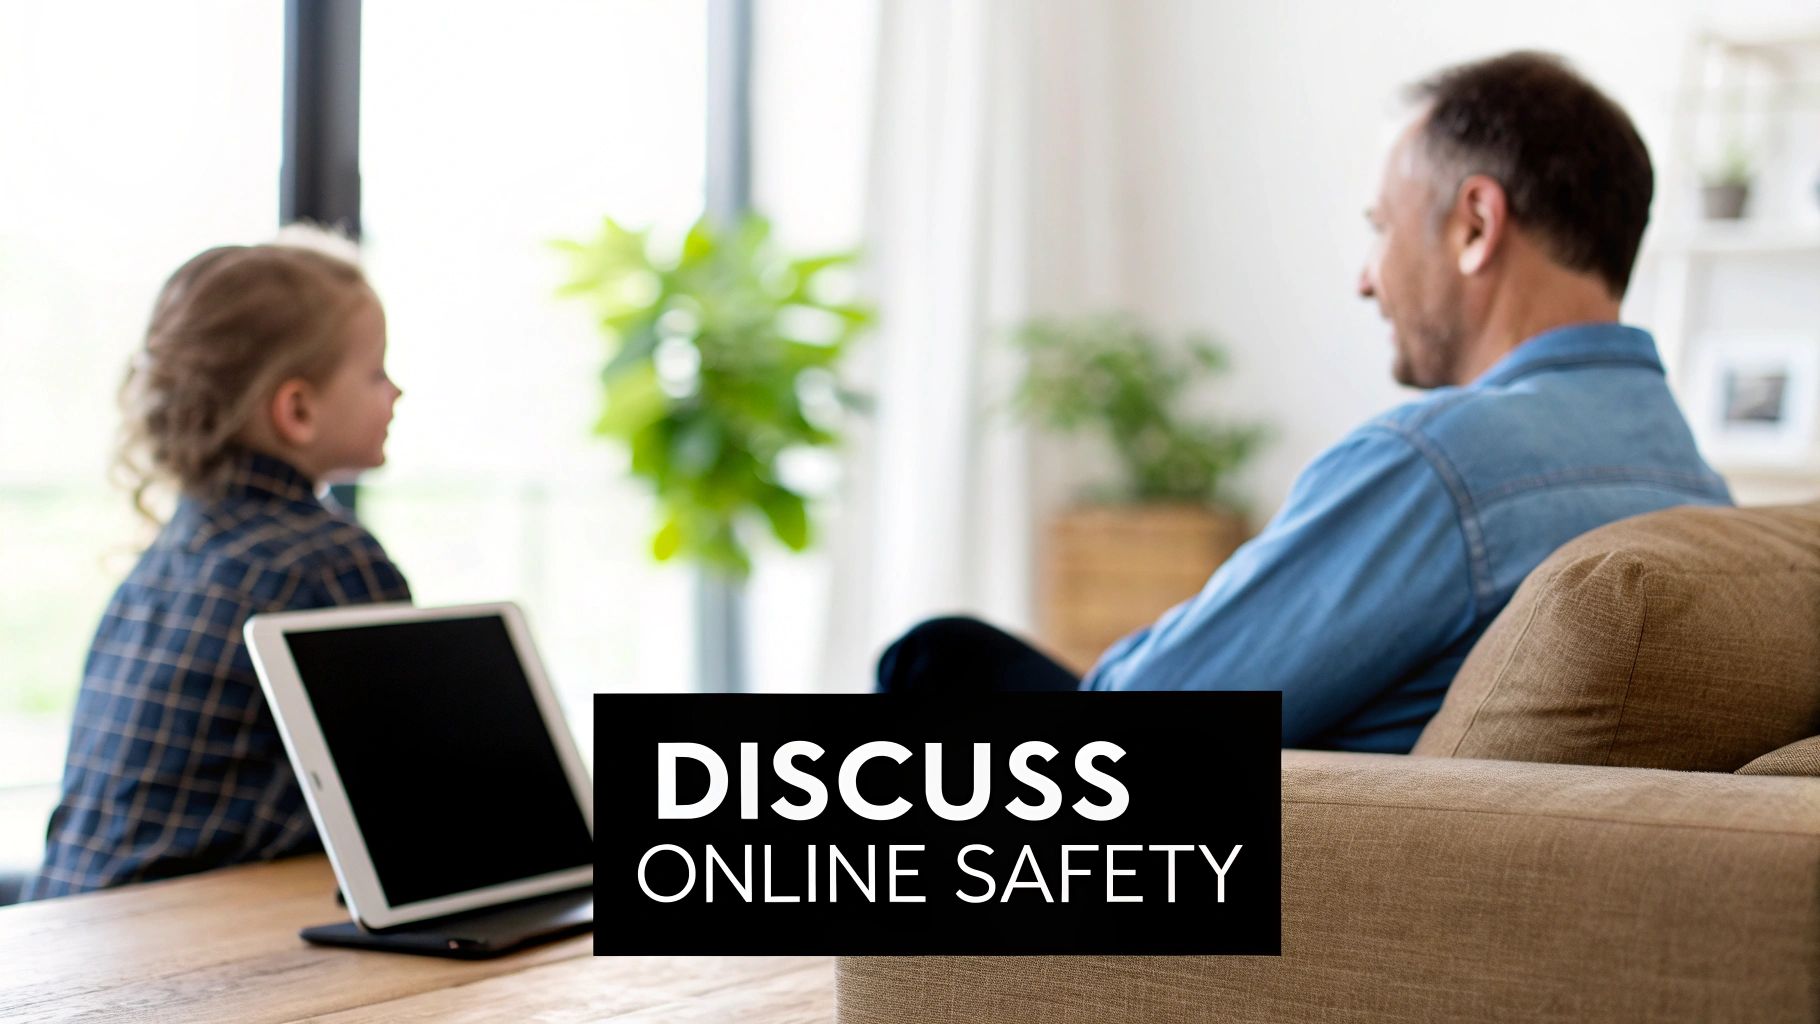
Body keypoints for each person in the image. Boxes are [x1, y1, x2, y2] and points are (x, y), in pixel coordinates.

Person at [877, 52, 1733, 753]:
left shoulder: (1438, 466)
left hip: (1303, 862)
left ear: (1476, 225)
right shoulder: (1696, 483)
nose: (1366, 277)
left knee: (935, 658)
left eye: (1382, 227)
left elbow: (1138, 725)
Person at [25, 229, 411, 899]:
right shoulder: (328, 562)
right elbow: (408, 805)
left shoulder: (165, 562)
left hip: (70, 923)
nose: (397, 392)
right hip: (195, 940)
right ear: (297, 409)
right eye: (376, 372)